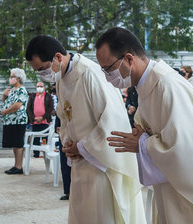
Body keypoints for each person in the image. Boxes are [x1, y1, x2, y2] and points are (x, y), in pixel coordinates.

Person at [96, 27, 193, 224]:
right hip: (170, 187)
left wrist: (143, 144)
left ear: (129, 59)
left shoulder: (168, 86)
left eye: (108, 69)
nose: (106, 76)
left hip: (187, 194)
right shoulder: (147, 87)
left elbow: (191, 149)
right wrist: (143, 136)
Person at [26, 35, 146, 224]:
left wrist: (82, 147)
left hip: (102, 166)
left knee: (102, 216)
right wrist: (67, 143)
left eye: (42, 69)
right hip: (80, 163)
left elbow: (112, 121)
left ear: (58, 57)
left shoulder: (90, 74)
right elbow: (65, 118)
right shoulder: (62, 78)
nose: (42, 75)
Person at [1, 68, 29, 175]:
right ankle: (16, 165)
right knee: (14, 144)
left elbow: (17, 105)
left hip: (18, 120)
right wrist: (4, 95)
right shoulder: (12, 90)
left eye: (12, 76)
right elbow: (6, 101)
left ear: (18, 78)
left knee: (18, 144)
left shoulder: (22, 90)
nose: (10, 78)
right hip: (10, 121)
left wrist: (5, 112)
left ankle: (19, 166)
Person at [51, 83, 71, 200]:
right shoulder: (60, 100)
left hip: (73, 133)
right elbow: (58, 116)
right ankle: (67, 191)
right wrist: (57, 128)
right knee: (64, 163)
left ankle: (75, 191)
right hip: (62, 134)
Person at [27, 81, 53, 158]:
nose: (39, 88)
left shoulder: (48, 96)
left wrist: (42, 117)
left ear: (44, 87)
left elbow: (50, 108)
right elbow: (29, 109)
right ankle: (36, 154)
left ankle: (45, 154)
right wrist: (34, 118)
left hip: (45, 121)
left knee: (45, 138)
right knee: (35, 138)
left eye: (41, 86)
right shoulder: (32, 96)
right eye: (38, 86)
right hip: (35, 122)